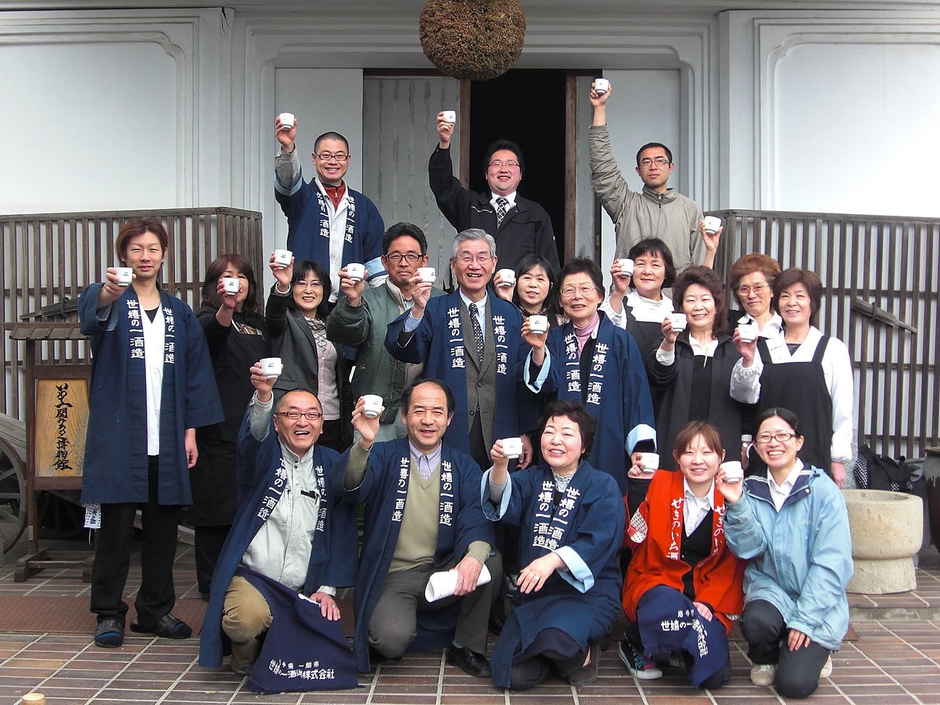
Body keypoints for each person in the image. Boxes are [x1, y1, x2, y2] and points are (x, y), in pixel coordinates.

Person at [78, 217, 223, 648]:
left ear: (164, 255)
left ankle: (154, 610)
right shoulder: (110, 298)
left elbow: (197, 375)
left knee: (162, 529)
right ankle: (108, 611)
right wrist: (107, 291)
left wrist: (191, 432)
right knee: (117, 529)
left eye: (153, 248)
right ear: (124, 255)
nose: (145, 256)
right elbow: (91, 315)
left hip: (169, 433)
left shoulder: (179, 312)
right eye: (136, 249)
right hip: (122, 435)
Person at [336, 379, 502, 676]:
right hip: (395, 576)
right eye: (419, 411)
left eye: (437, 412)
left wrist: (473, 558)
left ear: (449, 419)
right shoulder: (384, 455)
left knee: (489, 560)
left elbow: (476, 516)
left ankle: (467, 645)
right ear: (404, 416)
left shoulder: (462, 465)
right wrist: (364, 443)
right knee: (389, 642)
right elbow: (351, 489)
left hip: (443, 570)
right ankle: (410, 621)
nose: (428, 420)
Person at [483, 400, 625, 689]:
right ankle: (561, 655)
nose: (556, 440)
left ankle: (580, 651)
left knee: (554, 636)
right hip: (536, 597)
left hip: (587, 595)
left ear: (584, 446)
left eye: (567, 433)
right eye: (549, 431)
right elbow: (500, 501)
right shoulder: (530, 479)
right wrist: (500, 466)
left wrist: (552, 560)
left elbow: (599, 541)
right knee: (508, 673)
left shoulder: (602, 485)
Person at [719, 408, 853, 698]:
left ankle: (815, 650)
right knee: (756, 622)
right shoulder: (751, 489)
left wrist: (805, 619)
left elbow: (832, 564)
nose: (774, 443)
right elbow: (748, 549)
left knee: (794, 685)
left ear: (799, 442)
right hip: (772, 593)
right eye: (765, 437)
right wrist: (737, 503)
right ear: (755, 446)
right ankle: (765, 656)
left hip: (816, 602)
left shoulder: (823, 491)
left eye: (782, 435)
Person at [385, 228, 535, 471]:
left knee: (499, 500)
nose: (474, 265)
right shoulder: (435, 308)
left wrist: (525, 431)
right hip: (450, 428)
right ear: (453, 265)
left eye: (482, 257)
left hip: (500, 429)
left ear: (493, 263)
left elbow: (523, 376)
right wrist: (417, 310)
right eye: (466, 257)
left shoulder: (510, 314)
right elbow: (402, 349)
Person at [620, 421, 745, 689]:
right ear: (677, 457)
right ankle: (635, 641)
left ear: (721, 457)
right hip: (659, 582)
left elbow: (732, 563)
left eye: (707, 452)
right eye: (689, 452)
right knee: (666, 606)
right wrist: (638, 488)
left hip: (707, 592)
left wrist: (709, 602)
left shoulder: (732, 494)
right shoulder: (660, 483)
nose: (698, 461)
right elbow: (632, 538)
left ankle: (677, 644)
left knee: (714, 676)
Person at [526, 258, 657, 502]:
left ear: (599, 295)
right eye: (569, 290)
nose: (577, 296)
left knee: (606, 507)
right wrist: (538, 350)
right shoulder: (551, 339)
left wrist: (641, 448)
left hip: (610, 443)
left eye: (585, 289)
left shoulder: (621, 341)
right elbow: (543, 388)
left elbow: (637, 396)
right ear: (560, 300)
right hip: (562, 447)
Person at [190, 254, 271, 599]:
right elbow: (211, 340)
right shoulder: (205, 317)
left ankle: (246, 575)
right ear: (214, 285)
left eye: (241, 276)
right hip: (216, 426)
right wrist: (226, 307)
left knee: (249, 502)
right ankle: (211, 583)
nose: (235, 282)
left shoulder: (257, 321)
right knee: (215, 508)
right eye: (226, 276)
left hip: (253, 424)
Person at [729, 268, 855, 487]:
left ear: (812, 303)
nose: (791, 302)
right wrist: (748, 359)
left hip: (815, 453)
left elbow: (842, 410)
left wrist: (838, 459)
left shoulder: (832, 349)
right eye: (785, 296)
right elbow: (743, 396)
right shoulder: (763, 347)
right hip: (769, 454)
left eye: (800, 296)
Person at [326, 222, 445, 441]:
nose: (403, 263)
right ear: (384, 261)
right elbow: (345, 335)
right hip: (377, 411)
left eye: (411, 256)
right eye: (395, 256)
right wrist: (352, 301)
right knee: (373, 471)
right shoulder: (370, 299)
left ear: (424, 261)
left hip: (426, 413)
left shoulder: (441, 302)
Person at [589, 80, 718, 272]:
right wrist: (599, 109)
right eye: (646, 162)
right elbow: (603, 167)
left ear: (671, 167)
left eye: (660, 161)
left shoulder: (689, 209)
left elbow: (700, 267)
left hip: (673, 299)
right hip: (630, 295)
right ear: (638, 171)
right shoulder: (626, 204)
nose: (653, 166)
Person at [428, 115, 560, 273]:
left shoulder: (535, 214)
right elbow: (442, 185)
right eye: (496, 164)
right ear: (486, 173)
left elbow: (549, 264)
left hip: (517, 297)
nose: (503, 169)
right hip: (475, 295)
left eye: (511, 164)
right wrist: (444, 144)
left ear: (521, 174)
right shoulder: (470, 205)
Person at [274, 118, 385, 302]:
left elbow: (375, 263)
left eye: (339, 156)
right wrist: (288, 149)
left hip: (348, 302)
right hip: (306, 300)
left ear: (348, 160)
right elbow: (288, 182)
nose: (332, 162)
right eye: (325, 156)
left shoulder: (364, 207)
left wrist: (383, 306)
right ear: (314, 159)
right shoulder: (302, 197)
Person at [648, 266, 747, 470]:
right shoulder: (670, 342)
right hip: (676, 446)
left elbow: (748, 398)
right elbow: (660, 378)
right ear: (681, 307)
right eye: (690, 300)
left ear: (717, 305)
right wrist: (668, 342)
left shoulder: (733, 348)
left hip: (721, 448)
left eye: (705, 299)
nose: (698, 307)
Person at [266, 257, 349, 452]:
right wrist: (282, 285)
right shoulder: (285, 321)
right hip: (296, 418)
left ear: (324, 289)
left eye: (315, 284)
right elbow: (274, 315)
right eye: (301, 284)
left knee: (326, 474)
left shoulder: (331, 324)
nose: (308, 290)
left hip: (331, 416)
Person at [600, 238, 676, 362]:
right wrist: (618, 291)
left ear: (666, 272)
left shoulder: (675, 311)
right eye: (640, 264)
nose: (647, 271)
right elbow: (600, 330)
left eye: (655, 265)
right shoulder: (621, 304)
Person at [493, 252, 563, 325]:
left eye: (540, 279)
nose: (533, 284)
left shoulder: (561, 323)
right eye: (527, 278)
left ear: (550, 286)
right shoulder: (498, 318)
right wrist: (506, 300)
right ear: (516, 282)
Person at [727, 253, 783, 339]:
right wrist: (710, 252)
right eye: (744, 289)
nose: (751, 295)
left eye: (758, 287)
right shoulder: (728, 322)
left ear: (772, 290)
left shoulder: (785, 326)